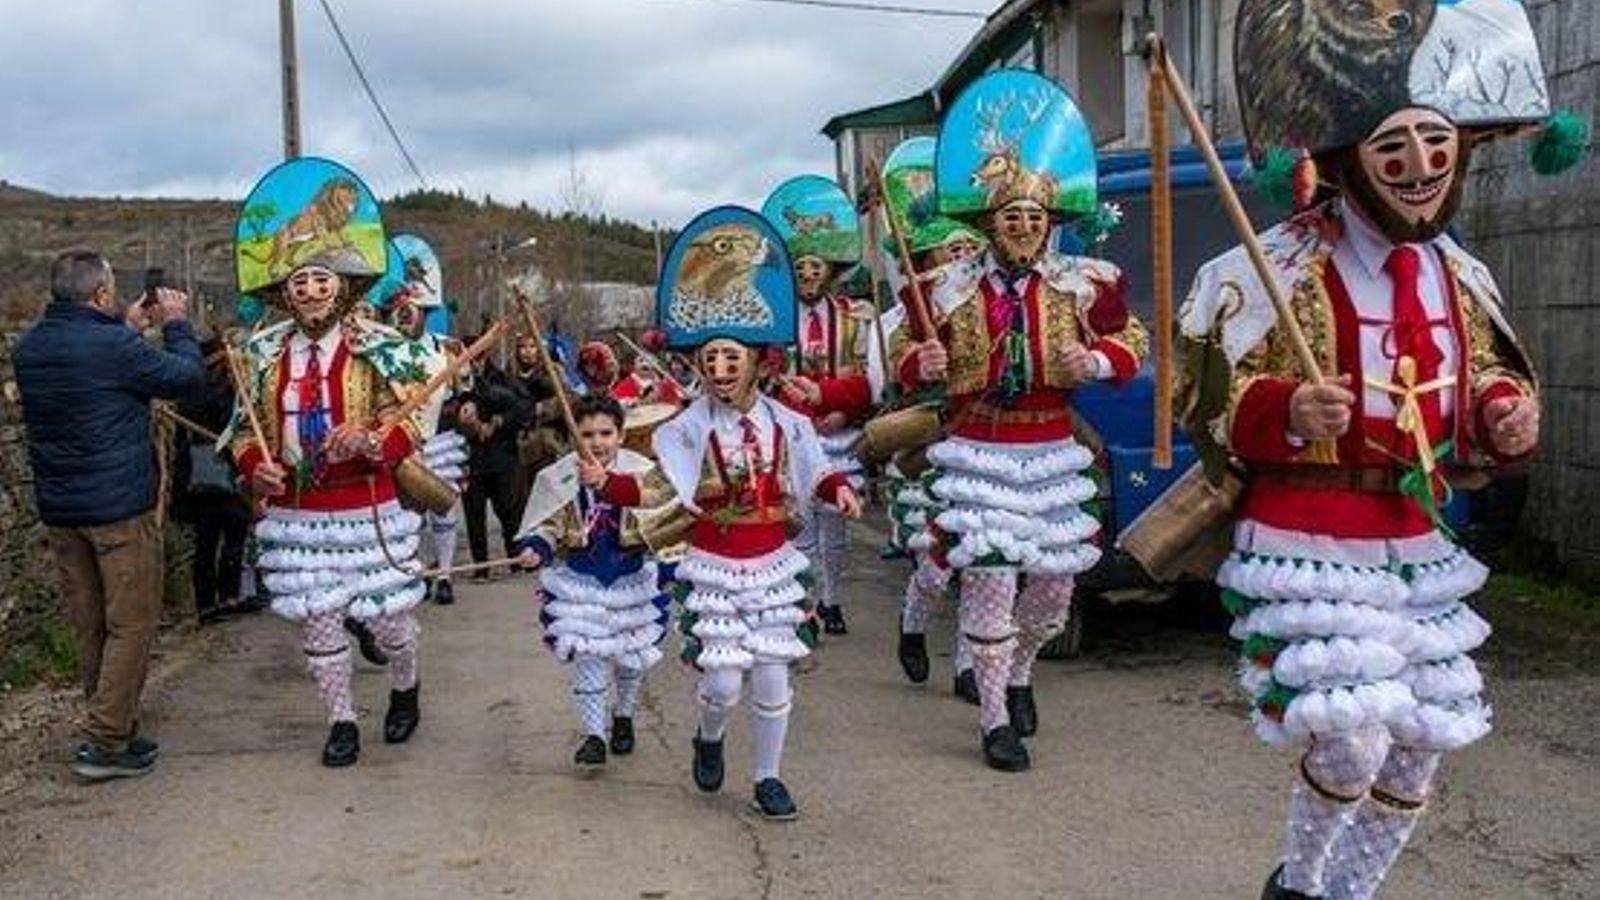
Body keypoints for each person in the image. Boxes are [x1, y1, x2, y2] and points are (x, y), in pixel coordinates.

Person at [1180, 6, 1578, 899]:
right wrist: (1284, 407)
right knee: (1353, 741)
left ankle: (1343, 895)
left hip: (1415, 537)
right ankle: (1303, 885)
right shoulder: (1270, 267)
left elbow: (1482, 388)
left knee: (1419, 757)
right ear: (1352, 155)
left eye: (1437, 147)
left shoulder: (1459, 272)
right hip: (1306, 535)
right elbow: (1200, 400)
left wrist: (1505, 412)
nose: (1420, 170)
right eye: (1395, 150)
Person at [898, 70, 1148, 772]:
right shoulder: (946, 287)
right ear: (987, 223)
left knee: (1053, 590)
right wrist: (920, 364)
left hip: (1050, 450)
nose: (1023, 228)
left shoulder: (1085, 282)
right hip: (979, 449)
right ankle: (994, 719)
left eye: (1035, 218)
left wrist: (1093, 363)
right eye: (1010, 217)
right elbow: (902, 353)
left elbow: (1134, 343)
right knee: (991, 580)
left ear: (1051, 222)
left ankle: (1022, 670)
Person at [224, 157, 440, 767]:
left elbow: (413, 421)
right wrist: (253, 468)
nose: (311, 291)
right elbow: (245, 431)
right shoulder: (263, 356)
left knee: (392, 624)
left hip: (367, 507)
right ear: (285, 292)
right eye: (299, 283)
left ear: (342, 287)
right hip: (299, 513)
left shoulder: (379, 348)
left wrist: (373, 441)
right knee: (320, 625)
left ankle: (406, 686)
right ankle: (341, 721)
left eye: (322, 280)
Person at [652, 205, 862, 820]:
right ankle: (709, 734)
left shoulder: (790, 423)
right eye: (709, 360)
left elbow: (815, 469)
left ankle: (769, 777)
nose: (719, 371)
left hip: (772, 559)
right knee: (720, 682)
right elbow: (661, 484)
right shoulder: (684, 428)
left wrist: (837, 491)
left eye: (731, 359)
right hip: (715, 564)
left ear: (759, 362)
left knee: (772, 675)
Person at [15, 250, 204, 779]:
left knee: (91, 624)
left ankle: (113, 724)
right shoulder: (114, 346)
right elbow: (187, 378)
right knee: (132, 624)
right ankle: (105, 740)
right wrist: (177, 324)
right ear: (100, 294)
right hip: (119, 511)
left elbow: (92, 362)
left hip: (62, 513)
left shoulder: (32, 348)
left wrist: (125, 325)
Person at [867, 135, 987, 700]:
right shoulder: (903, 317)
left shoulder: (996, 298)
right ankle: (913, 622)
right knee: (939, 562)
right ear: (929, 257)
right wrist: (922, 361)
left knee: (983, 562)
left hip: (996, 443)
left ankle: (970, 665)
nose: (962, 256)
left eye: (969, 245)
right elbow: (892, 375)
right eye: (950, 249)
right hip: (937, 445)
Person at [514, 394, 678, 768]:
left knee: (630, 659)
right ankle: (594, 735)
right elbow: (549, 523)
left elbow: (665, 522)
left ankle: (623, 715)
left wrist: (670, 566)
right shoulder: (558, 478)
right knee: (589, 655)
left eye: (606, 433)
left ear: (621, 435)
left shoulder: (643, 473)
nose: (597, 442)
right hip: (581, 580)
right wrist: (537, 546)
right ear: (574, 437)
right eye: (587, 434)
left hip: (632, 578)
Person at [759, 175, 876, 635]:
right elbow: (763, 381)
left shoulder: (854, 317)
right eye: (800, 267)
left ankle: (832, 599)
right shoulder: (772, 320)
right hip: (790, 436)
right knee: (802, 523)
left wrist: (843, 409)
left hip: (839, 431)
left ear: (829, 270)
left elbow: (870, 379)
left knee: (837, 523)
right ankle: (804, 602)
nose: (809, 275)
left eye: (816, 267)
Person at [375, 234, 469, 606]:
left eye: (412, 308)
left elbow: (465, 395)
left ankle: (444, 575)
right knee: (402, 517)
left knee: (442, 508)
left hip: (439, 439)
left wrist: (467, 411)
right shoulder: (379, 351)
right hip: (396, 442)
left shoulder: (448, 349)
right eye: (399, 308)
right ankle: (409, 576)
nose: (405, 313)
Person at [172, 336, 255, 623]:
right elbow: (228, 423)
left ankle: (209, 602)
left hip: (199, 472)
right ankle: (223, 599)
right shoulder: (221, 389)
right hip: (220, 468)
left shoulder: (191, 388)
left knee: (210, 540)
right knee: (230, 536)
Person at [458, 346, 532, 579]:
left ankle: (516, 560)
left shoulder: (502, 378)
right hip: (471, 458)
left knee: (510, 512)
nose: (474, 363)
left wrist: (498, 422)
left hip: (502, 456)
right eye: (469, 358)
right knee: (474, 515)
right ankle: (481, 567)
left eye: (478, 356)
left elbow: (524, 407)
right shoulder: (456, 382)